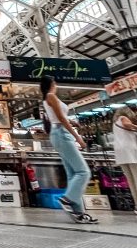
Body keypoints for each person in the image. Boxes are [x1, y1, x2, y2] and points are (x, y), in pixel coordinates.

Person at [41, 76, 97, 224]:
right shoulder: (51, 96)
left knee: (73, 174)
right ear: (52, 83)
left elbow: (59, 117)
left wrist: (72, 122)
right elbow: (61, 118)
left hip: (58, 133)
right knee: (83, 172)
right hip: (61, 134)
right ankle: (67, 199)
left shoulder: (48, 98)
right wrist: (77, 137)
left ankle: (79, 212)